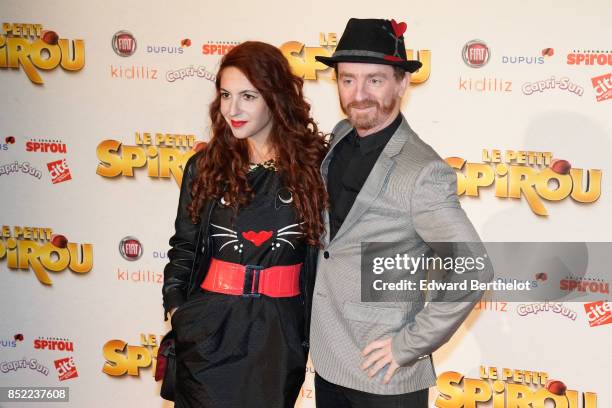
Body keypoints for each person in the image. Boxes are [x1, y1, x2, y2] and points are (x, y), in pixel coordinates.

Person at [310, 18, 492, 407]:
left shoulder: (422, 171)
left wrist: (408, 345)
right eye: (347, 80)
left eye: (374, 80)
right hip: (328, 360)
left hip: (385, 375)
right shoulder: (341, 136)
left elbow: (472, 267)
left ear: (402, 83)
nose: (358, 94)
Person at [162, 41, 327, 408]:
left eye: (248, 96)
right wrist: (179, 313)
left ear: (275, 97)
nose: (232, 109)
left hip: (277, 336)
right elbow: (184, 248)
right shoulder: (204, 167)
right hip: (208, 330)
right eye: (225, 95)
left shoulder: (315, 168)